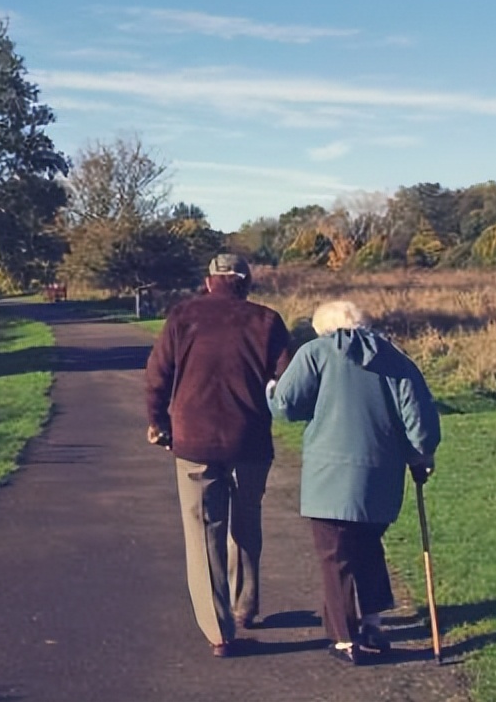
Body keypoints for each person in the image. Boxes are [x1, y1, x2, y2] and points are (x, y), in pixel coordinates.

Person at [271, 300, 440, 666]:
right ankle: (373, 624)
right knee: (367, 545)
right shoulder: (395, 358)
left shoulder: (315, 353)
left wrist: (271, 389)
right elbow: (420, 422)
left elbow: (285, 405)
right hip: (381, 475)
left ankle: (345, 638)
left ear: (324, 328)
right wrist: (421, 456)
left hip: (328, 478)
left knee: (335, 556)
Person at [144, 253, 293, 657]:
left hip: (194, 440)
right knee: (246, 520)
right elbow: (287, 382)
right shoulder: (267, 320)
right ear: (246, 282)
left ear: (209, 281)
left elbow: (157, 375)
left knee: (203, 531)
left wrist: (158, 422)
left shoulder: (182, 316)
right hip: (250, 441)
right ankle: (245, 605)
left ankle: (218, 630)